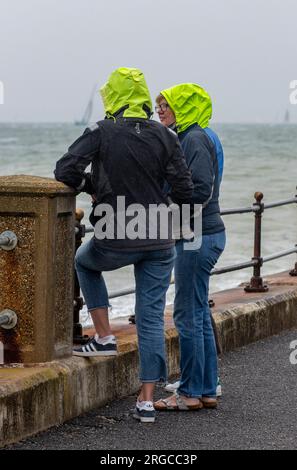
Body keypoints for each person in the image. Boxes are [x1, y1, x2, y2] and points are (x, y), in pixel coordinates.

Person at [54, 67, 193, 423]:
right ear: (144, 98)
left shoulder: (101, 130)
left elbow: (65, 169)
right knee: (150, 319)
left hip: (117, 233)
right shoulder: (165, 136)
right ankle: (146, 401)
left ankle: (103, 336)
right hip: (160, 239)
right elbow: (184, 189)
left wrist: (92, 186)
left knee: (85, 262)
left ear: (112, 98)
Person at [154, 84, 226, 411]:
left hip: (196, 237)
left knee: (186, 315)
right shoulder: (196, 135)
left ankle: (189, 392)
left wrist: (168, 214)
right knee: (197, 312)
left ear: (183, 105)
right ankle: (206, 388)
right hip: (204, 234)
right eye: (157, 104)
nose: (160, 109)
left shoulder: (194, 138)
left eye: (166, 104)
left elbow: (199, 189)